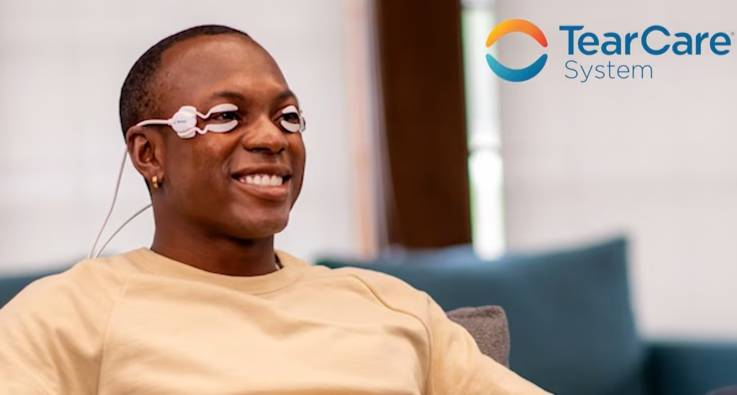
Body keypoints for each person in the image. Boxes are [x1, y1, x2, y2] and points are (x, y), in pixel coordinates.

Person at [0, 25, 551, 394]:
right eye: (226, 117)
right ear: (149, 153)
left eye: (287, 117)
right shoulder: (63, 314)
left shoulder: (393, 307)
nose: (271, 138)